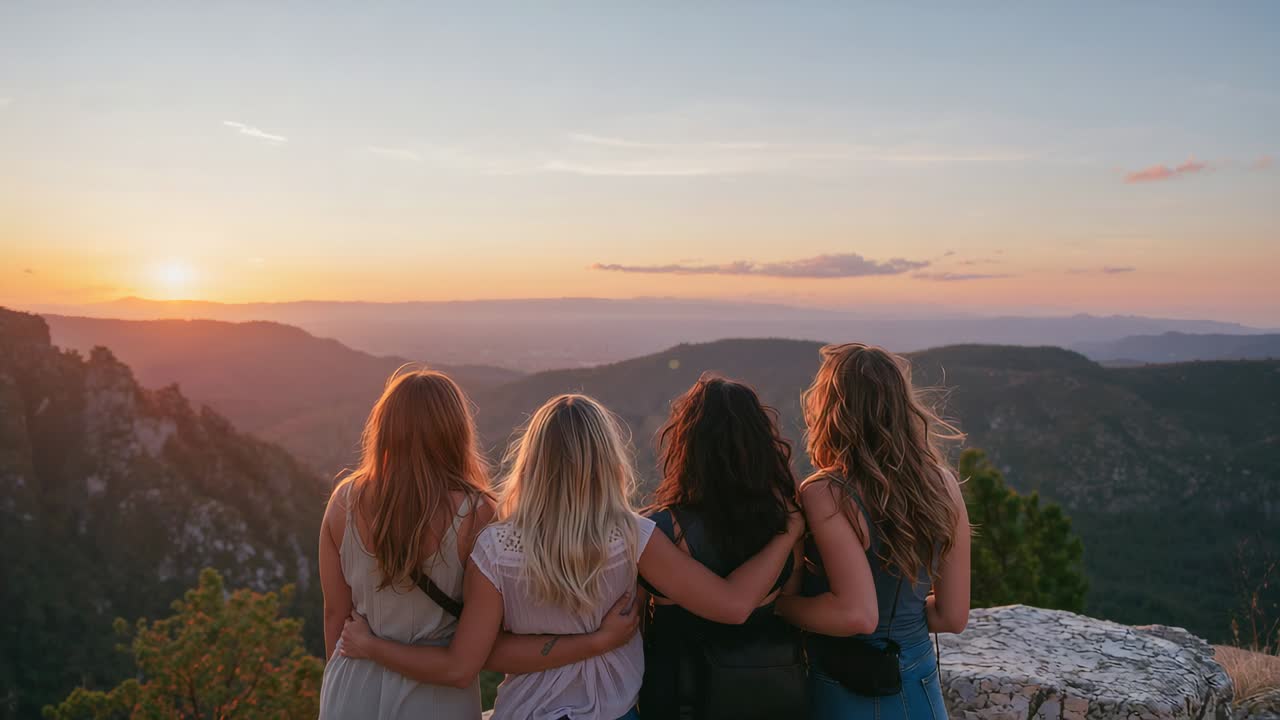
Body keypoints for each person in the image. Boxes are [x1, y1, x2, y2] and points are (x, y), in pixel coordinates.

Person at [339, 393, 804, 720]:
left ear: (534, 461)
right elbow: (733, 606)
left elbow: (481, 655)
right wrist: (787, 534)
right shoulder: (633, 536)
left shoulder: (497, 548)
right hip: (610, 712)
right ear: (607, 462)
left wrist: (372, 646)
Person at [777, 343, 971, 720]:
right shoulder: (943, 484)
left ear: (830, 410)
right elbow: (953, 617)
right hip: (921, 688)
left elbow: (856, 616)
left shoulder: (826, 493)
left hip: (849, 687)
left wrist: (779, 607)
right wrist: (901, 617)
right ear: (903, 406)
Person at [317, 369, 495, 719]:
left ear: (384, 429)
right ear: (456, 432)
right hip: (436, 697)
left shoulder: (343, 501)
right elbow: (466, 661)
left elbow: (334, 614)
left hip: (352, 686)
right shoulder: (477, 513)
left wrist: (352, 673)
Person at [639, 374, 807, 719]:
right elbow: (790, 601)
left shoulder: (658, 532)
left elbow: (634, 623)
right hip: (768, 696)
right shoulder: (786, 524)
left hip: (680, 700)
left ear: (686, 447)